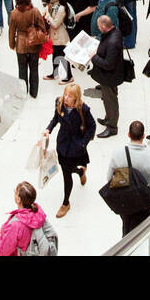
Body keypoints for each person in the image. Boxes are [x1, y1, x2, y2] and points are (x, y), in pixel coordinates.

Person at [42, 81, 95, 218]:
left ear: (76, 98)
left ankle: (65, 203)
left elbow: (92, 126)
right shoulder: (59, 103)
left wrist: (83, 143)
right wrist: (48, 129)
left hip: (76, 145)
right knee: (67, 170)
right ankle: (80, 172)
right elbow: (55, 119)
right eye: (65, 94)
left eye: (69, 96)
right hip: (63, 144)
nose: (66, 98)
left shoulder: (83, 109)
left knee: (67, 174)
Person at [105, 121, 150, 236]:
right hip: (144, 202)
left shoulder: (117, 153)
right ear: (143, 136)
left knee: (127, 227)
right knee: (144, 231)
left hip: (124, 202)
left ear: (128, 135)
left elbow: (108, 179)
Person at [0, 181, 58, 256]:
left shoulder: (15, 225)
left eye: (15, 192)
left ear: (18, 199)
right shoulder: (38, 212)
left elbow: (3, 251)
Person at [8, 0, 48, 98]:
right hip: (34, 43)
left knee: (22, 69)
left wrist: (12, 44)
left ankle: (23, 92)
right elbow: (43, 27)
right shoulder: (35, 11)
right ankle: (34, 93)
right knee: (34, 69)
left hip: (21, 45)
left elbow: (11, 30)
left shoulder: (14, 13)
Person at [91, 14, 125, 138]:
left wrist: (93, 57)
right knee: (107, 98)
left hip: (110, 76)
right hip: (109, 75)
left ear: (105, 26)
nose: (98, 28)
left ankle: (112, 127)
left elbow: (108, 64)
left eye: (99, 26)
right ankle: (108, 118)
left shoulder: (112, 41)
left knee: (111, 100)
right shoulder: (114, 31)